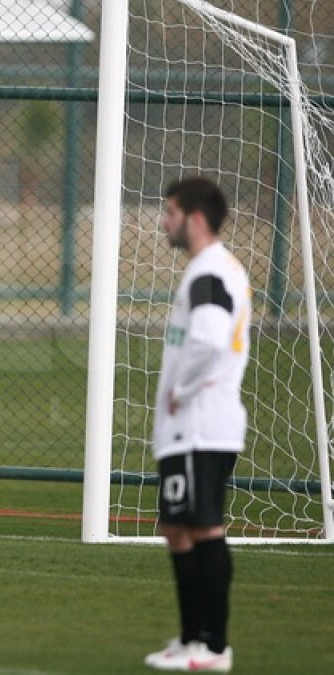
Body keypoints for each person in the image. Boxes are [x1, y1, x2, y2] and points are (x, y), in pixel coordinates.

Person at [143, 178, 248, 672]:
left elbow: (208, 339)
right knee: (179, 528)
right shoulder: (214, 269)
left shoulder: (208, 270)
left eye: (170, 212)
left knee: (203, 527)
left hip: (200, 424)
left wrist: (180, 392)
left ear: (195, 218)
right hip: (197, 427)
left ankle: (213, 645)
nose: (164, 222)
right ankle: (191, 640)